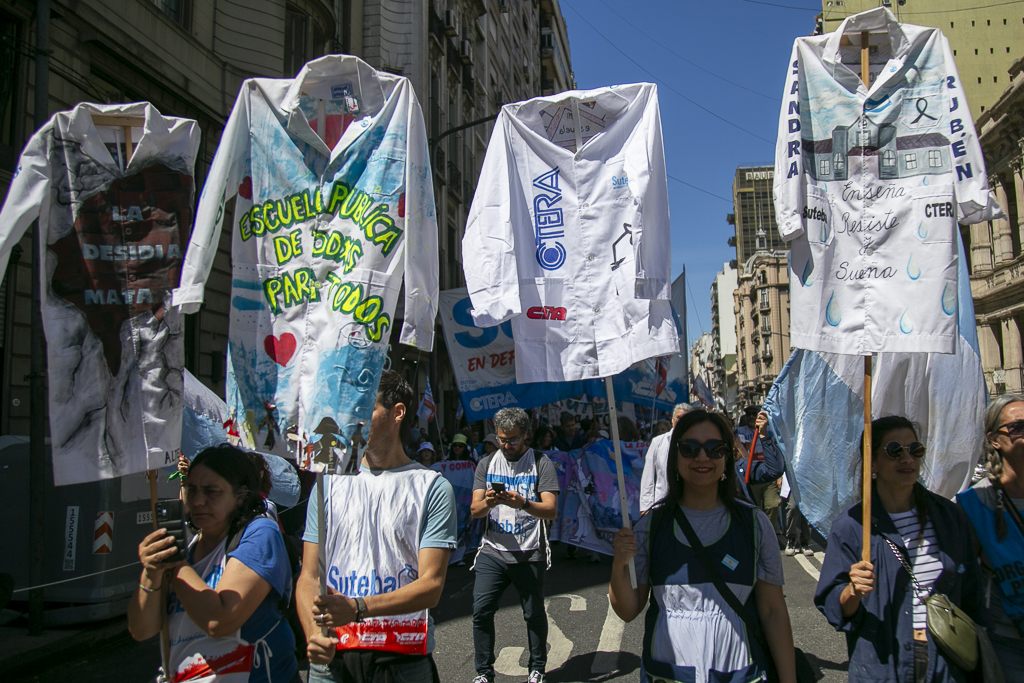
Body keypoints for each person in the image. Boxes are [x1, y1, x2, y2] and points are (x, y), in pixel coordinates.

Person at [610, 409, 797, 683]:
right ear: (675, 456)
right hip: (669, 674)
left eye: (714, 448)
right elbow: (627, 610)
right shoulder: (651, 527)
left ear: (727, 456)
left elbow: (773, 612)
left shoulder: (754, 524)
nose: (702, 457)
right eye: (689, 448)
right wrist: (619, 563)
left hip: (739, 673)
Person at [296, 370, 458, 683]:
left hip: (401, 659)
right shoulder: (327, 484)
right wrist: (314, 635)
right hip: (333, 663)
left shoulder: (432, 488)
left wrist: (358, 608)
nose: (352, 418)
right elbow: (309, 576)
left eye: (364, 408)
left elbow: (431, 585)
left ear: (397, 413)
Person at [815, 415, 985, 683]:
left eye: (915, 449)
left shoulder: (949, 517)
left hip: (947, 661)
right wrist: (853, 590)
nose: (907, 459)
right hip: (883, 663)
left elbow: (973, 594)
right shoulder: (852, 526)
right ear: (872, 463)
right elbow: (833, 605)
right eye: (894, 450)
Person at [129, 444, 299, 683]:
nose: (198, 501)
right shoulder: (189, 547)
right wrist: (151, 572)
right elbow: (142, 630)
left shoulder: (260, 533)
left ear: (240, 496)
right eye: (192, 489)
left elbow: (219, 622)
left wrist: (175, 564)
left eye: (211, 491)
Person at [469, 407, 560, 683]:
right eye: (501, 439)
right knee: (481, 610)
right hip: (493, 550)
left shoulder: (541, 463)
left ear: (525, 436)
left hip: (528, 551)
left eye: (512, 440)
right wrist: (489, 502)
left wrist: (523, 503)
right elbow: (475, 510)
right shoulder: (487, 463)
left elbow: (550, 510)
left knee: (533, 613)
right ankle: (484, 672)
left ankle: (537, 668)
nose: (506, 445)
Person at [958, 393, 1024, 673]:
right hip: (1007, 641)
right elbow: (961, 575)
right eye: (1017, 427)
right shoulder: (973, 504)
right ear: (994, 440)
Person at [639, 403, 692, 513]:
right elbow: (648, 476)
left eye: (686, 418)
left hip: (690, 505)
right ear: (672, 420)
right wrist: (645, 508)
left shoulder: (696, 443)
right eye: (678, 418)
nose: (681, 421)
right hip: (663, 505)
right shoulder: (658, 442)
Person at [737, 406, 782, 529]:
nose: (751, 417)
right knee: (754, 507)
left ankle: (770, 530)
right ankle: (757, 532)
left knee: (772, 504)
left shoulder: (770, 430)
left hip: (768, 472)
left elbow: (777, 451)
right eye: (749, 414)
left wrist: (780, 476)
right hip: (752, 473)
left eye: (754, 414)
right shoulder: (740, 432)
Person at [781, 474, 814, 557]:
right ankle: (791, 539)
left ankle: (805, 542)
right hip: (793, 481)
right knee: (792, 507)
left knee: (807, 511)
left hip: (808, 482)